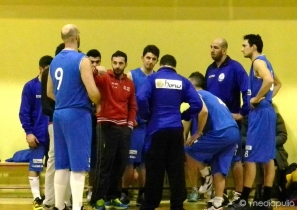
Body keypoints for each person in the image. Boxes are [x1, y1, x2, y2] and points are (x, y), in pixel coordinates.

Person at [137, 55, 203, 210]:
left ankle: (150, 204)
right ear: (174, 66)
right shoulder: (183, 81)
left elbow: (140, 97)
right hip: (175, 130)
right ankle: (177, 205)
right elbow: (197, 104)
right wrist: (184, 115)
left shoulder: (152, 79)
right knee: (176, 169)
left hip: (156, 130)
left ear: (160, 65)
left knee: (155, 169)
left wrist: (146, 115)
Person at [47, 24, 101, 210]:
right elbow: (93, 92)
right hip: (77, 114)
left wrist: (65, 99)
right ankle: (78, 207)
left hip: (59, 113)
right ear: (77, 36)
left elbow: (49, 91)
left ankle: (59, 206)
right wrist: (98, 103)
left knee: (61, 164)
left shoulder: (54, 61)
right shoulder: (82, 60)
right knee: (78, 165)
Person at [228, 34, 276, 210]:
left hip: (261, 113)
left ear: (254, 47)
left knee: (250, 157)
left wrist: (257, 98)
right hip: (268, 112)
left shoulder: (257, 62)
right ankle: (265, 201)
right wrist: (266, 99)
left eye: (244, 45)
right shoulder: (266, 62)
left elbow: (269, 81)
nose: (242, 49)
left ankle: (244, 201)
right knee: (268, 157)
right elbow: (277, 84)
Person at [200, 38, 249, 205]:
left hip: (230, 124)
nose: (212, 50)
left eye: (216, 48)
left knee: (235, 159)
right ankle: (221, 195)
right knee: (216, 159)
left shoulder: (235, 68)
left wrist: (242, 113)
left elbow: (246, 91)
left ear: (224, 50)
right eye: (211, 47)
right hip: (213, 124)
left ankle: (239, 194)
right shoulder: (210, 69)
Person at [184, 71, 240, 210]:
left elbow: (203, 112)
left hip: (221, 131)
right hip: (233, 131)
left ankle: (206, 176)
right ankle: (218, 201)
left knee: (187, 149)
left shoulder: (198, 95)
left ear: (191, 85)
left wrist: (198, 133)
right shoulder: (212, 96)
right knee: (219, 165)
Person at [90, 50, 137, 210]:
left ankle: (113, 196)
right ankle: (98, 199)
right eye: (115, 63)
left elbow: (132, 106)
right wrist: (96, 69)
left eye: (121, 63)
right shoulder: (104, 78)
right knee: (104, 164)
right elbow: (90, 78)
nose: (117, 66)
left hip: (123, 128)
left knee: (120, 164)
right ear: (111, 63)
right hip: (105, 125)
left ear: (125, 64)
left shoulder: (129, 83)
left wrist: (130, 124)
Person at [121, 45, 160, 206]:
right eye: (148, 58)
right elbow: (125, 100)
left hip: (151, 126)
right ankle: (124, 192)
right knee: (130, 161)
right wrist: (130, 118)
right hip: (135, 125)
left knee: (146, 162)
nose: (150, 61)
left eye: (153, 59)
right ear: (142, 58)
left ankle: (143, 194)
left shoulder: (158, 78)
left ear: (157, 61)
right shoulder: (132, 75)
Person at [19, 55, 53, 210]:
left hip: (53, 134)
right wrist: (28, 132)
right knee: (35, 166)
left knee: (53, 166)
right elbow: (24, 112)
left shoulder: (55, 87)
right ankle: (37, 198)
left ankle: (50, 197)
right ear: (40, 69)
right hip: (37, 135)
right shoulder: (30, 87)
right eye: (47, 71)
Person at [41, 43, 72, 210]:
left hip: (65, 120)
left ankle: (63, 200)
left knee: (63, 161)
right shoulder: (49, 71)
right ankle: (51, 199)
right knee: (55, 160)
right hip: (56, 120)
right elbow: (46, 102)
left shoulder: (64, 71)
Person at [241, 104, 288, 202]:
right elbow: (242, 137)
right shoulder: (247, 118)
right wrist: (255, 142)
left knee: (265, 157)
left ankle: (264, 194)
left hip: (273, 149)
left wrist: (267, 142)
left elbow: (282, 136)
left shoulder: (275, 116)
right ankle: (259, 192)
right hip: (253, 148)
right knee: (254, 158)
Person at [85, 49, 105, 202]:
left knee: (96, 157)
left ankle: (94, 189)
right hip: (82, 120)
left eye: (97, 62)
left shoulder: (103, 77)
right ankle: (75, 192)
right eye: (92, 62)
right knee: (80, 157)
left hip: (98, 122)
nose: (95, 65)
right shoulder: (81, 76)